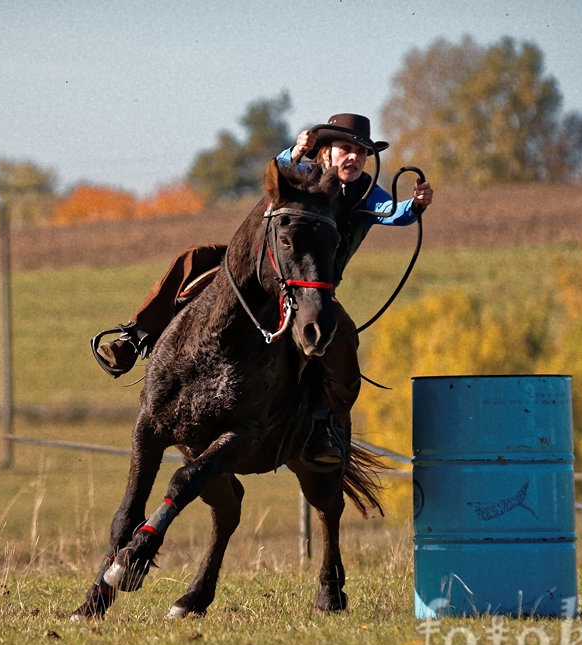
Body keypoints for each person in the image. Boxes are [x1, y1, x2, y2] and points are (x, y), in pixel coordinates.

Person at [93, 113, 433, 467]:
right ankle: (133, 340)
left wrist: (417, 205)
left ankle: (324, 426)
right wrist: (296, 151)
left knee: (337, 336)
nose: (355, 158)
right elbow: (277, 168)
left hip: (310, 286)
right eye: (346, 149)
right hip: (255, 262)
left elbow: (394, 212)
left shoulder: (365, 191)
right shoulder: (300, 172)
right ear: (326, 153)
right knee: (192, 259)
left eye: (362, 153)